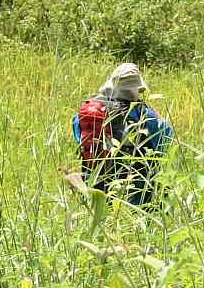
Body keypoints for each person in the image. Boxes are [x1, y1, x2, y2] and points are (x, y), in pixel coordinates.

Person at [71, 62, 173, 207]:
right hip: (136, 194)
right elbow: (165, 142)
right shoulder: (144, 115)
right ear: (137, 90)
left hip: (96, 187)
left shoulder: (87, 113)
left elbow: (80, 138)